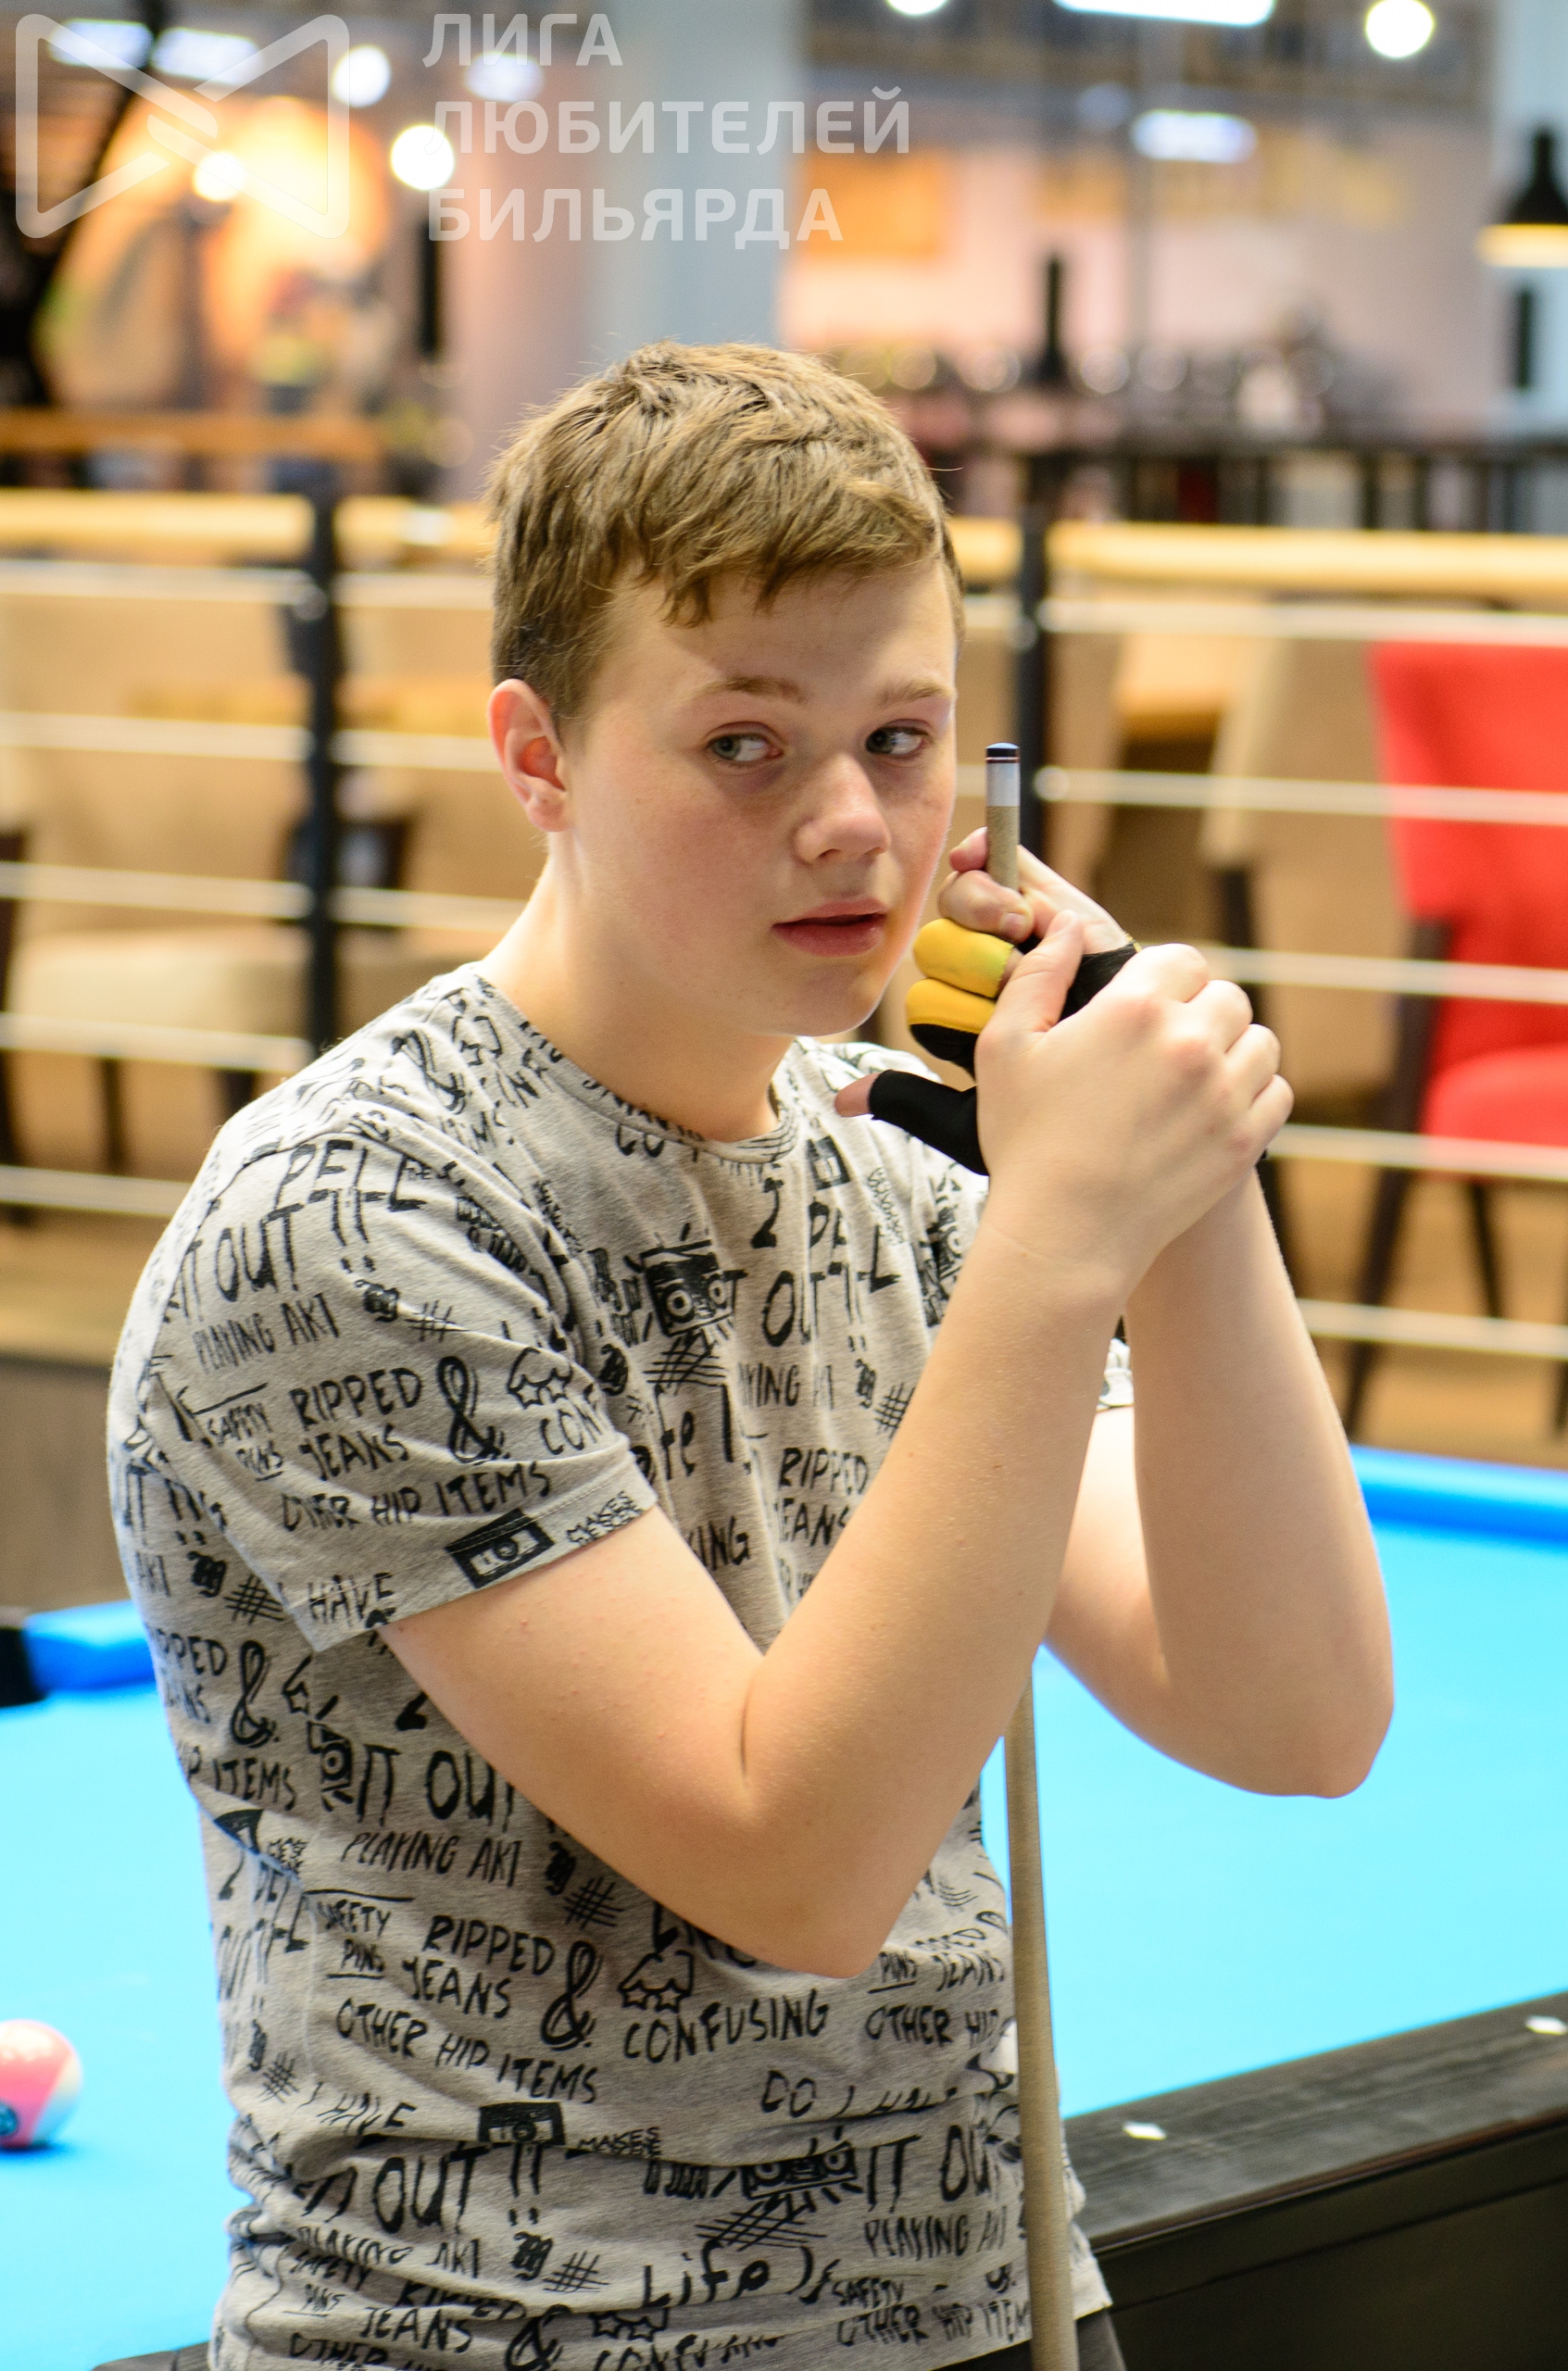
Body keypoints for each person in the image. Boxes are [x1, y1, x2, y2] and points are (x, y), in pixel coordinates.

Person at [107, 341, 1392, 2371]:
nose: (851, 823)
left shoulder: (905, 1166)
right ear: (537, 754)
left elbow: (1292, 1711)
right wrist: (1062, 1241)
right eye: (742, 745)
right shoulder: (355, 1219)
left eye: (901, 736)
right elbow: (794, 1865)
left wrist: (1185, 1170)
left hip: (977, 2314)